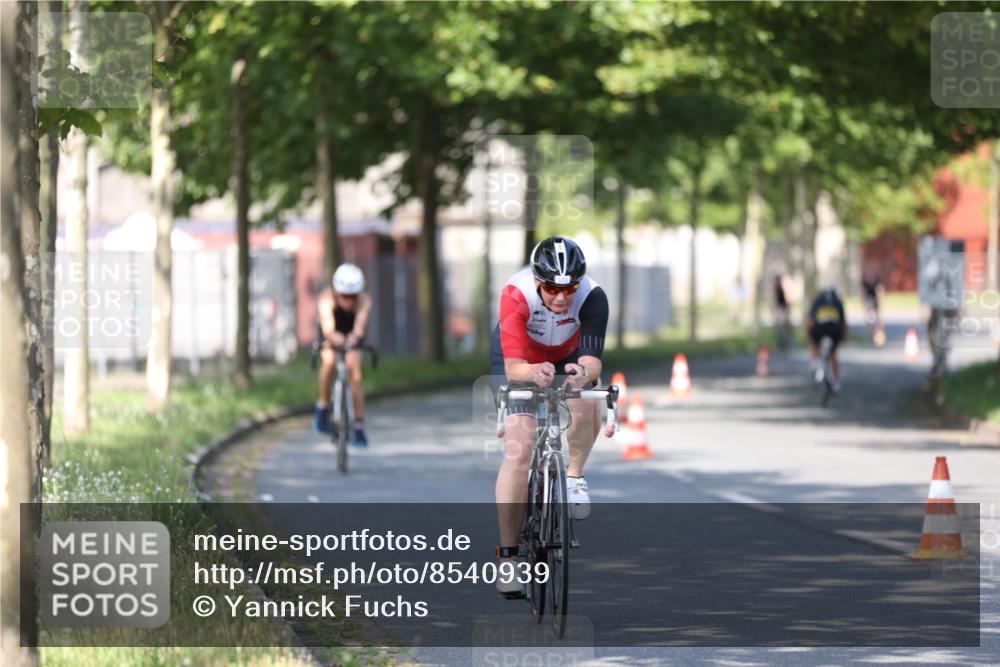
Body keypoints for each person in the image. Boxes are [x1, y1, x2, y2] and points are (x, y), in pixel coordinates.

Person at [490, 236, 609, 597]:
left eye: (569, 288)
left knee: (588, 399)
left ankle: (574, 477)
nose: (561, 297)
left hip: (566, 355)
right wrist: (532, 373)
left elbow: (591, 360)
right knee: (520, 448)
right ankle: (508, 560)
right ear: (536, 280)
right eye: (551, 288)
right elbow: (513, 367)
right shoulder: (516, 292)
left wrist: (583, 374)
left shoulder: (593, 296)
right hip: (520, 360)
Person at [313, 263, 373, 447]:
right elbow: (328, 328)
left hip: (352, 334)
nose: (349, 301)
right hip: (332, 332)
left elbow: (360, 325)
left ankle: (359, 424)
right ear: (337, 293)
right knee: (329, 361)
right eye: (345, 296)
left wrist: (354, 338)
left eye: (353, 297)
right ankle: (323, 406)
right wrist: (335, 339)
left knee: (355, 372)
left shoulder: (364, 300)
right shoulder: (326, 299)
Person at [805, 283, 847, 392]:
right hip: (834, 330)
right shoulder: (838, 302)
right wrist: (843, 336)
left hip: (820, 329)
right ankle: (836, 380)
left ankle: (816, 363)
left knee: (814, 343)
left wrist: (808, 335)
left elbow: (810, 320)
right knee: (833, 353)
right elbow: (843, 322)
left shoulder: (818, 301)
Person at [861, 268, 885, 345]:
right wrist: (865, 304)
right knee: (868, 319)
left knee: (878, 319)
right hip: (869, 302)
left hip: (875, 302)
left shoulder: (877, 282)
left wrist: (878, 300)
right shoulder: (865, 284)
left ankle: (880, 335)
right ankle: (871, 334)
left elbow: (880, 291)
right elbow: (863, 294)